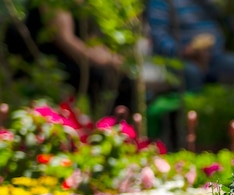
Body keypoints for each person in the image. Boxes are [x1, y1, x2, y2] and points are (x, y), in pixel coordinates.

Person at [4, 4, 136, 115]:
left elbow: (92, 41)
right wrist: (100, 60)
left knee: (123, 78)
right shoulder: (56, 3)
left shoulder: (86, 5)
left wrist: (112, 59)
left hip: (74, 57)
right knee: (103, 78)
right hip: (49, 61)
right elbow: (66, 40)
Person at [146, 0, 234, 92]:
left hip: (214, 56)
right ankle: (193, 116)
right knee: (193, 74)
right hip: (179, 59)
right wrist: (184, 51)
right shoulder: (161, 2)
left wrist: (223, 6)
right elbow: (159, 37)